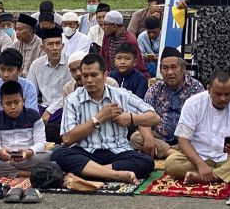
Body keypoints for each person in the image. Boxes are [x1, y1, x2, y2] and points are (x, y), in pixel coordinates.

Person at [52, 53, 160, 184]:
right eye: (85, 76)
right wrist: (99, 118)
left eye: (94, 75)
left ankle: (90, 173)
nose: (89, 80)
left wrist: (131, 118)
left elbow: (154, 117)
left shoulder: (121, 95)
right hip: (85, 151)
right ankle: (117, 175)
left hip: (117, 151)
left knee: (146, 162)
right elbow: (67, 138)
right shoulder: (73, 99)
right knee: (59, 154)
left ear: (105, 75)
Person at [164, 70, 230, 184]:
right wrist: (201, 165)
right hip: (198, 157)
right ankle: (222, 175)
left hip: (226, 158)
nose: (223, 98)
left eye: (227, 94)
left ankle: (202, 177)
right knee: (171, 163)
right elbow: (183, 141)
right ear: (208, 89)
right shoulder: (193, 104)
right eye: (218, 94)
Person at [131, 47, 202, 159]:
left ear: (183, 69)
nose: (169, 72)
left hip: (186, 139)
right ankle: (176, 155)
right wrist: (149, 137)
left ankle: (171, 154)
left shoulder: (196, 87)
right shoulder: (155, 89)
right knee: (136, 137)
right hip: (159, 139)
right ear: (160, 70)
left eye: (174, 67)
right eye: (165, 68)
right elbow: (143, 117)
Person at [0, 80, 50, 177]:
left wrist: (29, 152)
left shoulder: (34, 116)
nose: (13, 107)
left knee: (49, 156)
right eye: (8, 104)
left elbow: (40, 143)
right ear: (1, 104)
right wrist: (0, 152)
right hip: (4, 158)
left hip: (28, 157)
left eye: (17, 102)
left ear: (23, 101)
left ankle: (6, 170)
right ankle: (22, 173)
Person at [26, 27, 69, 142]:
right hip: (42, 107)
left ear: (63, 46)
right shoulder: (36, 65)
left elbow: (69, 95)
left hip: (63, 107)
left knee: (64, 118)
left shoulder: (70, 64)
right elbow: (30, 92)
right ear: (42, 47)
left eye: (58, 44)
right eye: (50, 44)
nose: (55, 48)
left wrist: (49, 111)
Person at [99, 10, 148, 75]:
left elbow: (136, 63)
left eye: (105, 24)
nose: (103, 27)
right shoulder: (107, 36)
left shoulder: (130, 39)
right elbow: (102, 56)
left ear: (114, 26)